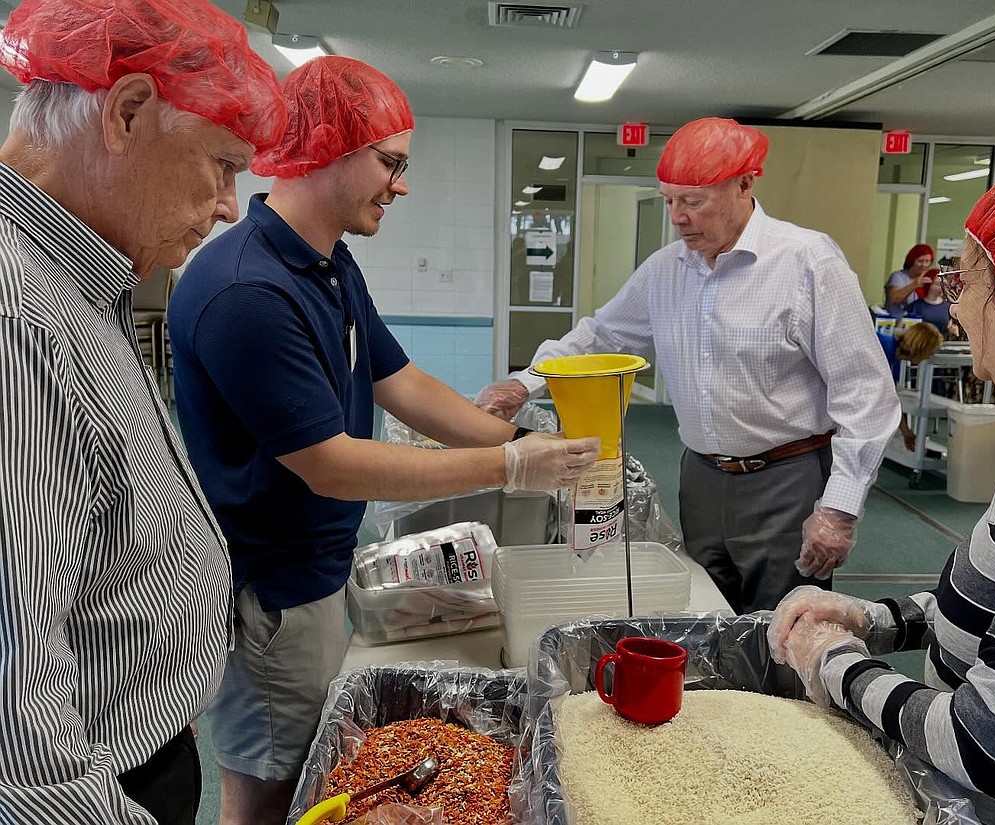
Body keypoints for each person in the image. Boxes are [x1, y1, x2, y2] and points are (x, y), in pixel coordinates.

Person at [167, 56, 598, 825]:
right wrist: (508, 465)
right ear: (330, 149)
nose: (401, 185)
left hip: (318, 571)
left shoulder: (329, 264)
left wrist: (538, 447)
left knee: (320, 772)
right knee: (274, 788)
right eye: (390, 163)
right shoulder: (247, 289)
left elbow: (401, 382)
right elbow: (331, 465)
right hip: (271, 589)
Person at [0, 1, 285, 824]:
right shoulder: (16, 319)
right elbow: (21, 750)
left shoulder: (85, 277)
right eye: (224, 166)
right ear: (127, 112)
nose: (232, 206)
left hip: (145, 746)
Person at [769, 161, 995, 824]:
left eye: (968, 284)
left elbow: (984, 740)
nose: (953, 307)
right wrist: (872, 618)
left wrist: (833, 663)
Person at [476, 117, 900, 613]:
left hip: (786, 480)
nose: (677, 217)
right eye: (669, 201)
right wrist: (525, 383)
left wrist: (839, 509)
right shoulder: (665, 270)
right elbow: (599, 336)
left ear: (745, 185)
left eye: (693, 201)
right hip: (700, 478)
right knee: (707, 612)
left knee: (787, 626)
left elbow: (866, 394)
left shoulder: (807, 262)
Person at [892, 322, 944, 451]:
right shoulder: (884, 350)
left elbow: (891, 398)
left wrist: (906, 432)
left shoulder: (897, 362)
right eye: (930, 351)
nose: (929, 356)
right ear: (921, 348)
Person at [884, 243, 935, 318]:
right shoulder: (898, 276)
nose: (924, 265)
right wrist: (914, 285)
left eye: (927, 261)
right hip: (896, 322)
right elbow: (894, 299)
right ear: (912, 260)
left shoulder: (928, 278)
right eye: (920, 261)